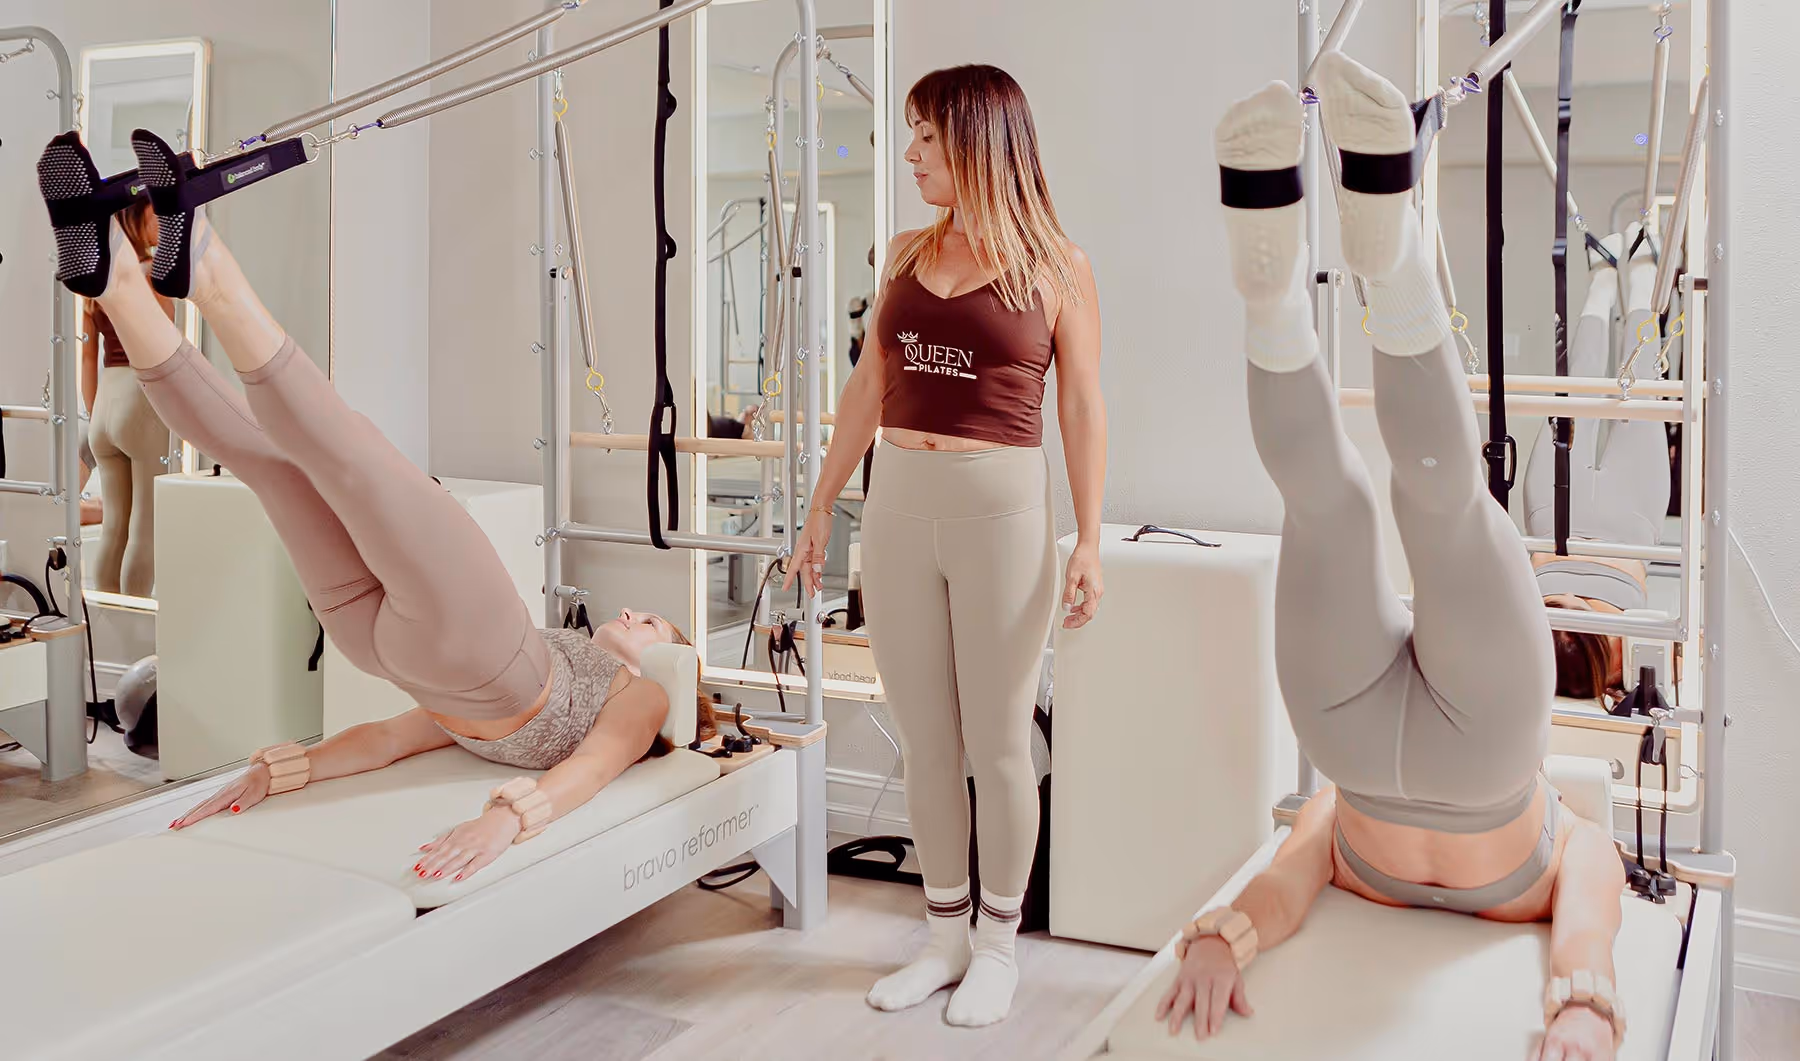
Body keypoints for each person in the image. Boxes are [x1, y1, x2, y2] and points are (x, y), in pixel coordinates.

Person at [39, 130, 714, 884]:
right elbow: (390, 738)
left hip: (476, 645)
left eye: (654, 624)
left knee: (350, 456)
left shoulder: (643, 694)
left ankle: (205, 266)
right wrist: (289, 769)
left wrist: (507, 817)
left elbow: (594, 766)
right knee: (271, 466)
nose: (634, 616)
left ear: (671, 655)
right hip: (397, 653)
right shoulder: (538, 682)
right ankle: (119, 285)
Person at [1158, 60, 1627, 1061]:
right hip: (1425, 751)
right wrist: (1585, 995)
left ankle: (1305, 278)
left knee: (1385, 507)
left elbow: (1284, 885)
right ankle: (1311, 282)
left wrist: (1224, 936)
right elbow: (1595, 895)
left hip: (1361, 755)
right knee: (1404, 507)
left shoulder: (1327, 824)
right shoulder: (1568, 827)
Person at [785, 64, 1108, 1028]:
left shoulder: (1058, 265)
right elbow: (866, 388)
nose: (913, 153)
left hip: (1000, 512)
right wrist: (820, 502)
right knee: (926, 737)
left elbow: (1084, 408)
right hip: (899, 508)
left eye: (927, 135)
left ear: (979, 139)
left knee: (998, 740)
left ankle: (1000, 944)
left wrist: (1090, 536)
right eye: (913, 134)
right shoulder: (904, 255)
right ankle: (944, 935)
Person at [1521, 225, 1673, 707]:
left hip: (1553, 522)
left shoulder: (1530, 658)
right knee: (1642, 379)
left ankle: (1606, 277)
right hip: (1626, 526)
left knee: (1578, 384)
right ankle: (1641, 273)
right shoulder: (1615, 677)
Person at [81, 198, 176, 592]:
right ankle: (136, 629)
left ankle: (104, 634)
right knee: (145, 527)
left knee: (114, 527)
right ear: (135, 218)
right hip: (140, 397)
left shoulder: (94, 283)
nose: (161, 222)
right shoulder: (150, 273)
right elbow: (164, 347)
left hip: (106, 401)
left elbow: (88, 358)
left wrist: (96, 414)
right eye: (155, 214)